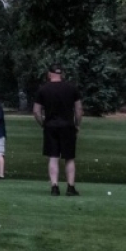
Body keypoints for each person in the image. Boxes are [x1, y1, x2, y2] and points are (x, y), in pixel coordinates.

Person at [33, 64, 83, 196]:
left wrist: (43, 124)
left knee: (53, 157)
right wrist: (77, 124)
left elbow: (36, 111)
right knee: (69, 158)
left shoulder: (43, 90)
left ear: (49, 74)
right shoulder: (72, 88)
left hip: (50, 126)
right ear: (62, 74)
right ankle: (70, 187)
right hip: (67, 126)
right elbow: (78, 110)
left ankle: (54, 186)